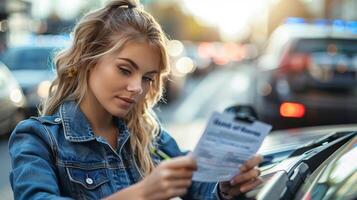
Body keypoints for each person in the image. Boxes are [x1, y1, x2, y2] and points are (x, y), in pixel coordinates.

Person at [8, 0, 262, 199]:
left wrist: (225, 186)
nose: (136, 88)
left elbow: (197, 187)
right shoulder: (37, 138)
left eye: (147, 78)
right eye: (125, 69)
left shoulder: (148, 133)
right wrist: (141, 194)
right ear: (88, 60)